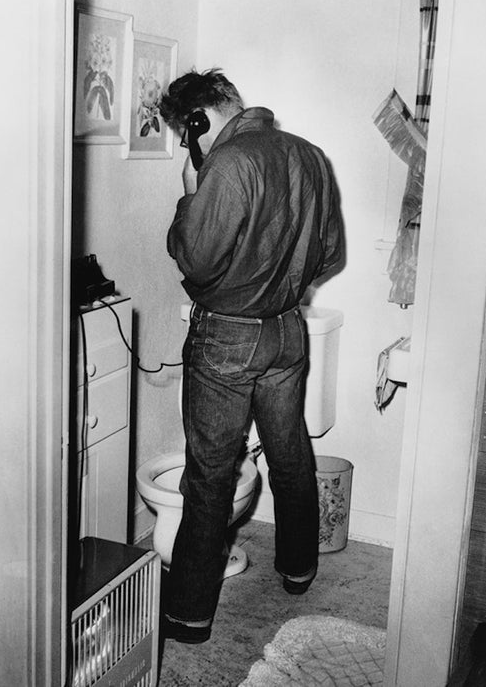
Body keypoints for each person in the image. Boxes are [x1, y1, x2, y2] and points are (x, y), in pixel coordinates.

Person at [158, 68, 343, 644]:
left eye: (190, 135)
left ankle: (189, 613)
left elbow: (195, 258)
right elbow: (330, 253)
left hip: (228, 339)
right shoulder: (311, 156)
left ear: (199, 120)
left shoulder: (229, 163)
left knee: (210, 477)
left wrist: (191, 193)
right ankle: (297, 568)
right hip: (288, 333)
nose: (194, 148)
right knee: (290, 454)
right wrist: (282, 285)